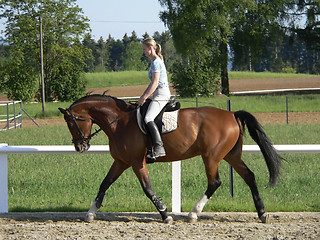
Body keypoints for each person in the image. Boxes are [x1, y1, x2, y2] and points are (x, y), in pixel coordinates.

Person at [138, 38, 171, 159]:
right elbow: (152, 83)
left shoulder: (157, 62)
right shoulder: (153, 62)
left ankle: (159, 147)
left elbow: (155, 83)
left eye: (144, 49)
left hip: (162, 94)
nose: (144, 51)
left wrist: (144, 97)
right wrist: (144, 95)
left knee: (148, 118)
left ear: (150, 48)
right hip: (157, 94)